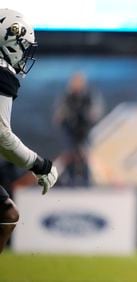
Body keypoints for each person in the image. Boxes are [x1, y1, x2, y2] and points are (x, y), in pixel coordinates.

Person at [0, 8, 58, 254]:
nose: (24, 53)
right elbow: (1, 135)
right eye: (23, 46)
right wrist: (40, 165)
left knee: (7, 213)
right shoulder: (2, 70)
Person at [53, 72, 104, 187]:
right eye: (74, 82)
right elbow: (58, 117)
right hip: (70, 132)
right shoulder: (66, 97)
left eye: (79, 82)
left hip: (85, 131)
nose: (76, 85)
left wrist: (84, 118)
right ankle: (70, 181)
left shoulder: (89, 96)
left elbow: (95, 114)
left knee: (85, 156)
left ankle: (87, 181)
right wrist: (68, 118)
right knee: (70, 155)